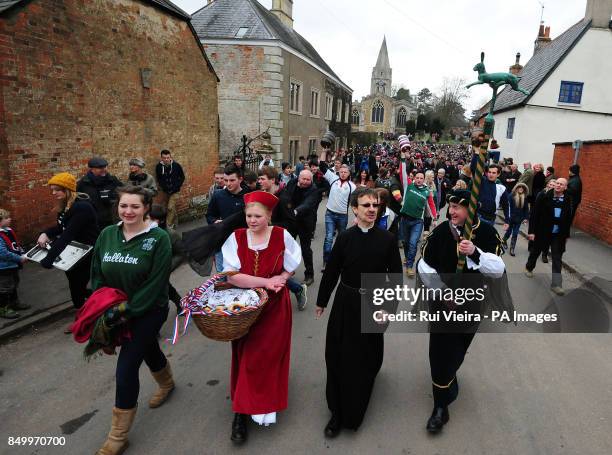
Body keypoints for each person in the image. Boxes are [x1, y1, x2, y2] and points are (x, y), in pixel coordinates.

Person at [90, 185, 173, 455]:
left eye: (135, 206)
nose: (128, 211)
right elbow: (97, 273)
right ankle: (167, 382)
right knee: (147, 348)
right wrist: (102, 306)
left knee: (126, 368)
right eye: (124, 206)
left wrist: (125, 311)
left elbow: (156, 283)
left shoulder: (158, 238)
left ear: (146, 208)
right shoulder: (107, 234)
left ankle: (117, 437)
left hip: (149, 309)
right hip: (115, 308)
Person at [315, 188, 402, 437]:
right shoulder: (345, 238)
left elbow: (395, 278)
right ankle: (336, 411)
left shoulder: (386, 239)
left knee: (364, 357)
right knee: (337, 355)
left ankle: (354, 409)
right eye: (366, 205)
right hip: (345, 301)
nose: (372, 209)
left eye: (375, 205)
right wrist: (322, 301)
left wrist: (389, 308)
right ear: (355, 208)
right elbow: (332, 272)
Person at [417, 189, 505, 433]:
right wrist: (443, 292)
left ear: (471, 208)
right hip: (443, 305)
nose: (451, 211)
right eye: (451, 206)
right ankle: (440, 407)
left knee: (457, 350)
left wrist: (475, 252)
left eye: (457, 207)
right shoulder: (441, 232)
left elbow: (498, 270)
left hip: (472, 304)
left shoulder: (487, 232)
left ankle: (448, 378)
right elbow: (424, 265)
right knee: (439, 353)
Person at [220, 191, 302, 444]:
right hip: (244, 309)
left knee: (268, 356)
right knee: (246, 356)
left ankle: (263, 405)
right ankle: (241, 412)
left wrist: (283, 279)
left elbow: (291, 264)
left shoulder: (281, 235)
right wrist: (267, 281)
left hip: (275, 308)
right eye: (248, 215)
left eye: (257, 216)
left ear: (269, 216)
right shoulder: (235, 238)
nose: (252, 220)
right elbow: (232, 276)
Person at [38, 173, 99, 329]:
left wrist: (49, 259)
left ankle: (84, 319)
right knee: (75, 284)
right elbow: (61, 227)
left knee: (77, 286)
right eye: (52, 190)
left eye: (57, 190)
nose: (54, 193)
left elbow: (67, 235)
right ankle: (94, 305)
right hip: (73, 252)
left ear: (68, 189)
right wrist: (46, 233)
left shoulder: (82, 207)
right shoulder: (65, 206)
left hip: (87, 252)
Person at [525, 178, 573, 296]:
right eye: (557, 183)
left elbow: (568, 219)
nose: (558, 185)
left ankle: (556, 284)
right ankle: (529, 268)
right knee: (536, 251)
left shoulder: (568, 199)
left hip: (558, 234)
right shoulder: (544, 196)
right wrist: (532, 232)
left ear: (565, 187)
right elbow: (535, 215)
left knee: (557, 258)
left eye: (561, 184)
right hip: (543, 232)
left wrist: (566, 235)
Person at [318, 149, 357, 270]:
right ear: (339, 172)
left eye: (346, 172)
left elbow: (356, 203)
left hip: (342, 216)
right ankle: (326, 261)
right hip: (330, 213)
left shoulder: (352, 186)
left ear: (349, 174)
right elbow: (322, 166)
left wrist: (357, 216)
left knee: (341, 239)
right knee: (329, 237)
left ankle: (339, 260)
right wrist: (324, 152)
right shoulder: (333, 179)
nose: (343, 173)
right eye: (341, 171)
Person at [206, 164, 248, 272]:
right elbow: (210, 215)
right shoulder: (218, 195)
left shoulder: (248, 195)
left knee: (243, 273)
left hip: (243, 243)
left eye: (232, 180)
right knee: (222, 274)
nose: (228, 184)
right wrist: (214, 221)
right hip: (222, 241)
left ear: (240, 179)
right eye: (226, 180)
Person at [149, 204, 183, 313]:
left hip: (162, 268)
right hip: (148, 267)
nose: (148, 221)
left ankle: (179, 303)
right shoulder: (145, 230)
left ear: (161, 221)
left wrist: (167, 267)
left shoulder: (171, 235)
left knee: (163, 287)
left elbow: (181, 253)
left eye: (153, 219)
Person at [77, 157, 123, 228]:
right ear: (92, 169)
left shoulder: (112, 180)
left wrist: (113, 199)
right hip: (93, 222)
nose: (104, 169)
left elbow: (124, 192)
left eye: (105, 167)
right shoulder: (83, 183)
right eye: (100, 168)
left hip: (111, 220)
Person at [0, 209, 28, 319]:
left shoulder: (7, 230)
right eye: (6, 218)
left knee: (14, 284)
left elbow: (14, 244)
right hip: (3, 267)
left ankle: (14, 303)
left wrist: (22, 252)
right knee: (4, 288)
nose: (10, 219)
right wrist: (19, 258)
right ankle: (3, 308)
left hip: (12, 265)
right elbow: (3, 253)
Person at [155, 149, 185, 229]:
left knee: (170, 207)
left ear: (170, 157)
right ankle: (175, 224)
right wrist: (163, 186)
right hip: (166, 191)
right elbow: (159, 178)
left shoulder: (176, 165)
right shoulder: (159, 167)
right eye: (164, 158)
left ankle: (168, 226)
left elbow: (182, 177)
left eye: (168, 158)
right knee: (171, 208)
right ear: (161, 158)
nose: (166, 159)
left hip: (175, 191)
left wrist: (177, 186)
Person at [502, 183, 530, 256]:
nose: (521, 188)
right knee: (508, 232)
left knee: (515, 233)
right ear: (516, 188)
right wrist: (507, 217)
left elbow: (526, 209)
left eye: (522, 188)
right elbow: (507, 207)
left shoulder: (525, 198)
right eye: (519, 187)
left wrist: (526, 218)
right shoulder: (511, 196)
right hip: (511, 218)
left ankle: (512, 249)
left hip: (519, 219)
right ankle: (504, 241)